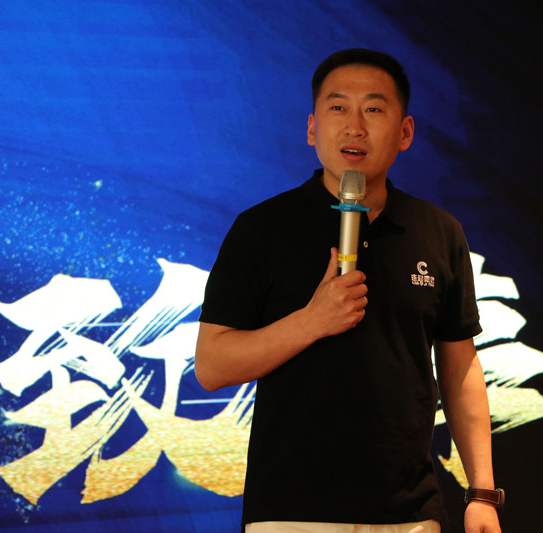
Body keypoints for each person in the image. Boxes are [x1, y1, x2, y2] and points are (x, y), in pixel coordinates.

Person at [195, 48, 502, 533]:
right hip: (291, 511)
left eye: (373, 109)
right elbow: (212, 366)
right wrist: (311, 321)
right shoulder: (262, 229)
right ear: (312, 127)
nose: (354, 127)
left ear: (405, 132)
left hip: (410, 513)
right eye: (338, 107)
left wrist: (482, 492)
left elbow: (459, 366)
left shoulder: (438, 231)